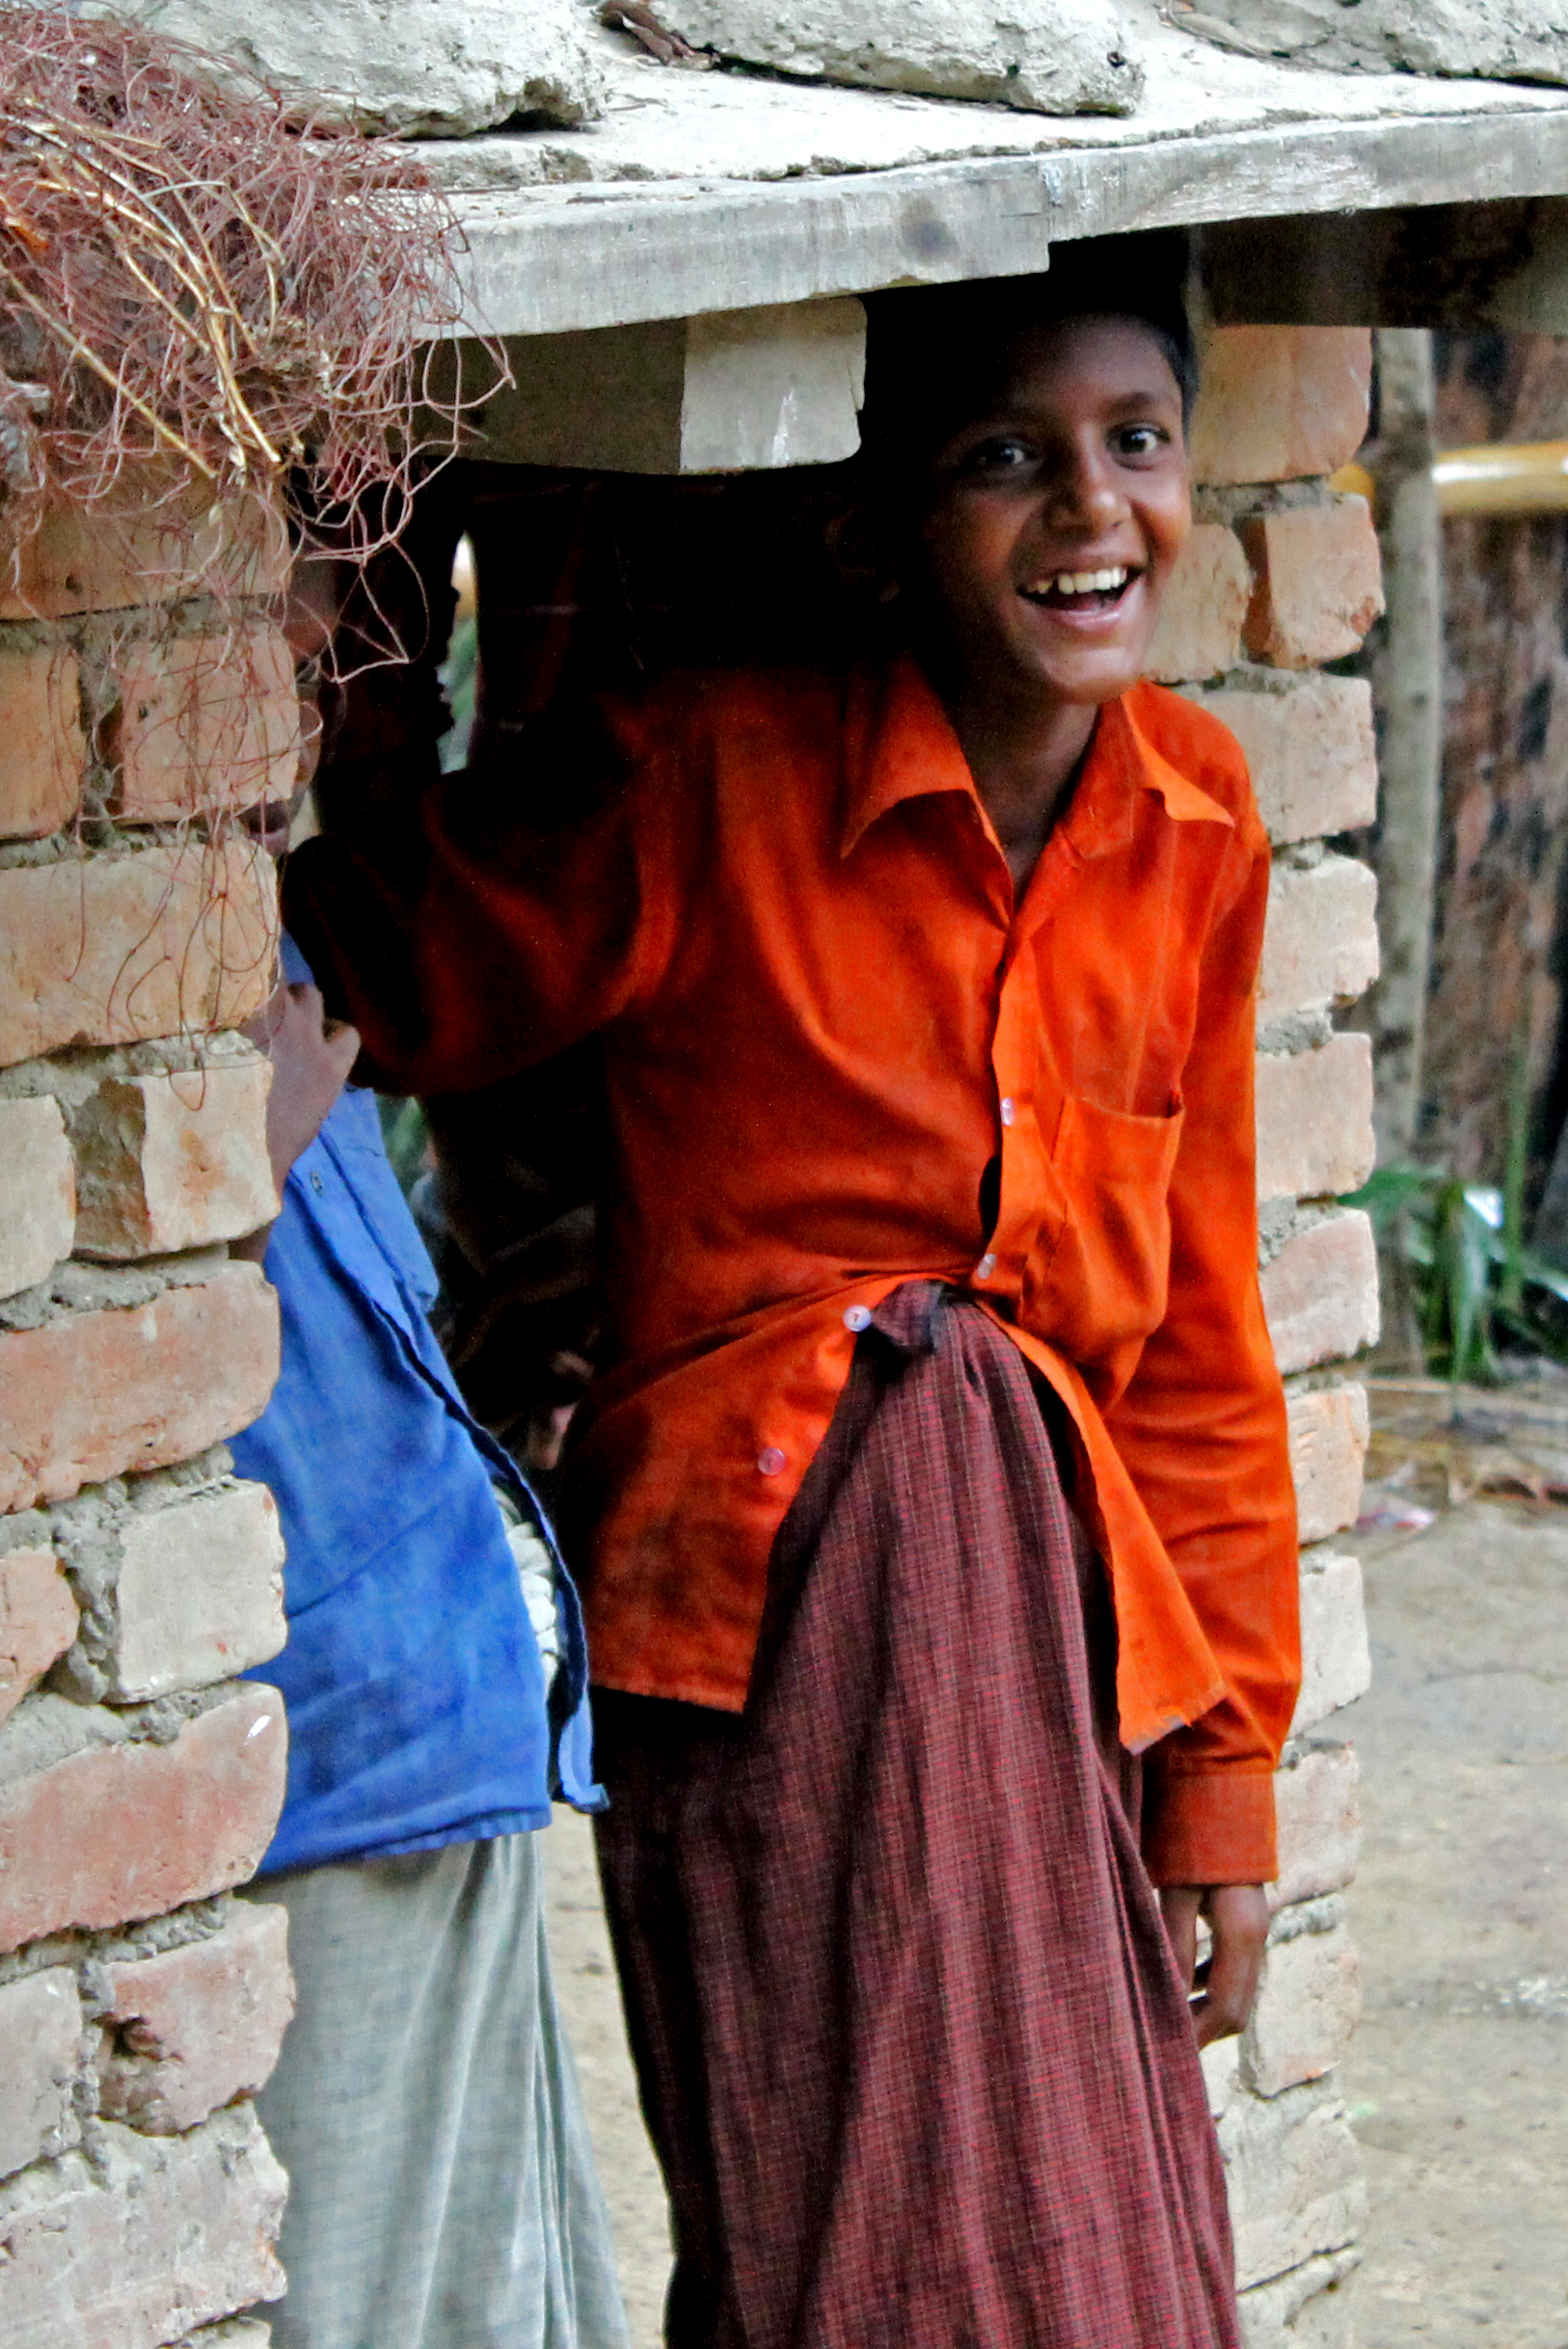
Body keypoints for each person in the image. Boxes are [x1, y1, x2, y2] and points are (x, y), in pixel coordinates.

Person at [285, 248, 1297, 2349]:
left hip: (1062, 1646)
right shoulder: (709, 777)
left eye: (1136, 442)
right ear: (873, 531)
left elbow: (1200, 1344)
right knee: (837, 2227)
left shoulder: (1198, 821)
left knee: (1086, 2227)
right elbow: (387, 957)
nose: (1091, 510)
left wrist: (1222, 1783)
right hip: (763, 1617)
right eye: (1005, 459)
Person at [233, 856, 629, 2338]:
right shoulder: (88, 977)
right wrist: (226, 1178)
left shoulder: (268, 947)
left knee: (486, 2297)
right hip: (319, 1774)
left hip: (440, 1725)